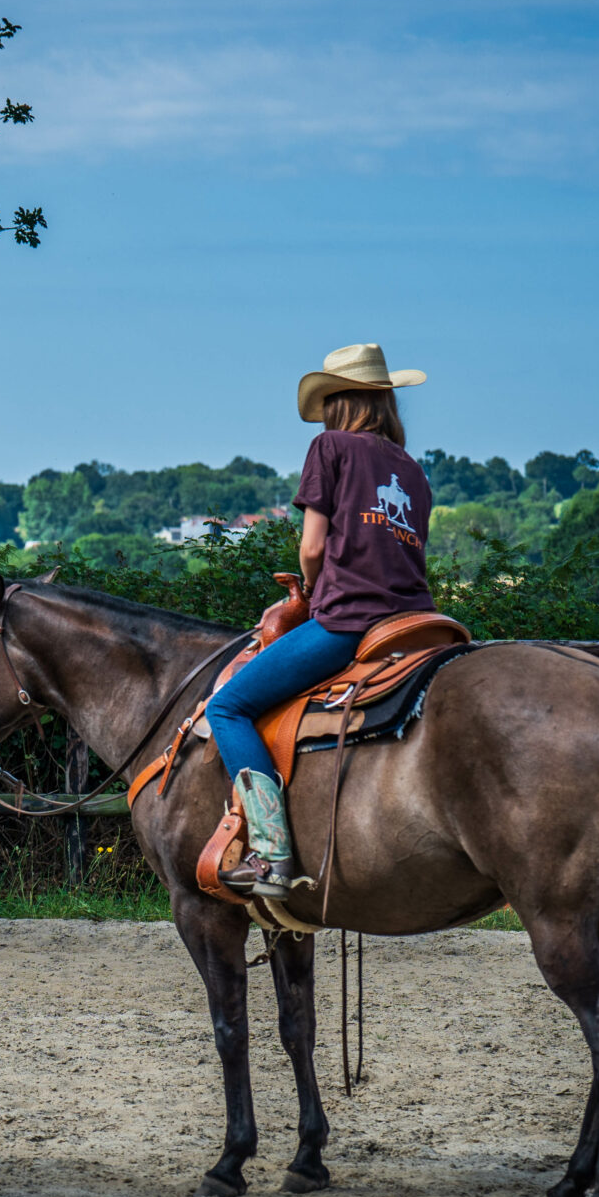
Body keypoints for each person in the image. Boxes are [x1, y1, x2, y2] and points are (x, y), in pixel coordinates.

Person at [204, 343, 435, 898]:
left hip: (351, 622)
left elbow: (311, 547)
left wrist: (310, 589)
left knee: (228, 705)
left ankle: (270, 854)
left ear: (339, 402)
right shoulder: (412, 471)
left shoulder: (329, 447)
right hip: (418, 624)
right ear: (386, 402)